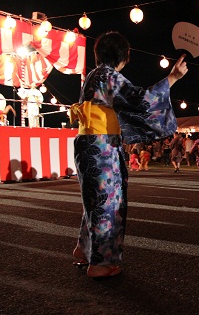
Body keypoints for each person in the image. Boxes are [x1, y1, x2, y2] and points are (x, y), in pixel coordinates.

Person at [69, 31, 188, 278]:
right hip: (102, 145)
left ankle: (84, 249)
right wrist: (172, 78)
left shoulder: (93, 75)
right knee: (107, 202)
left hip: (86, 142)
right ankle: (100, 264)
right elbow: (143, 101)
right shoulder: (109, 76)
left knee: (95, 199)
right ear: (122, 57)